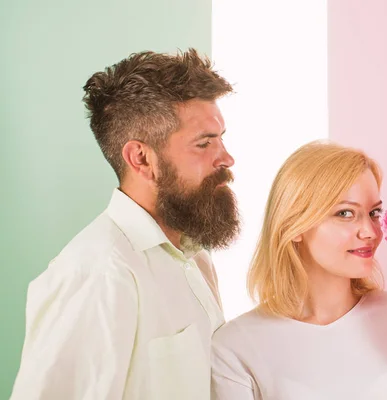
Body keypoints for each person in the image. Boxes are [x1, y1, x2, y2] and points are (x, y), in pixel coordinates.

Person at [11, 48, 239, 400]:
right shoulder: (98, 274)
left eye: (221, 137)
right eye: (204, 143)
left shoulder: (195, 259)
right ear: (141, 158)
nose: (226, 157)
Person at [211, 141, 387, 399]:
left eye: (374, 213)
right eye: (345, 213)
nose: (370, 232)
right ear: (294, 226)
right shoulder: (237, 346)